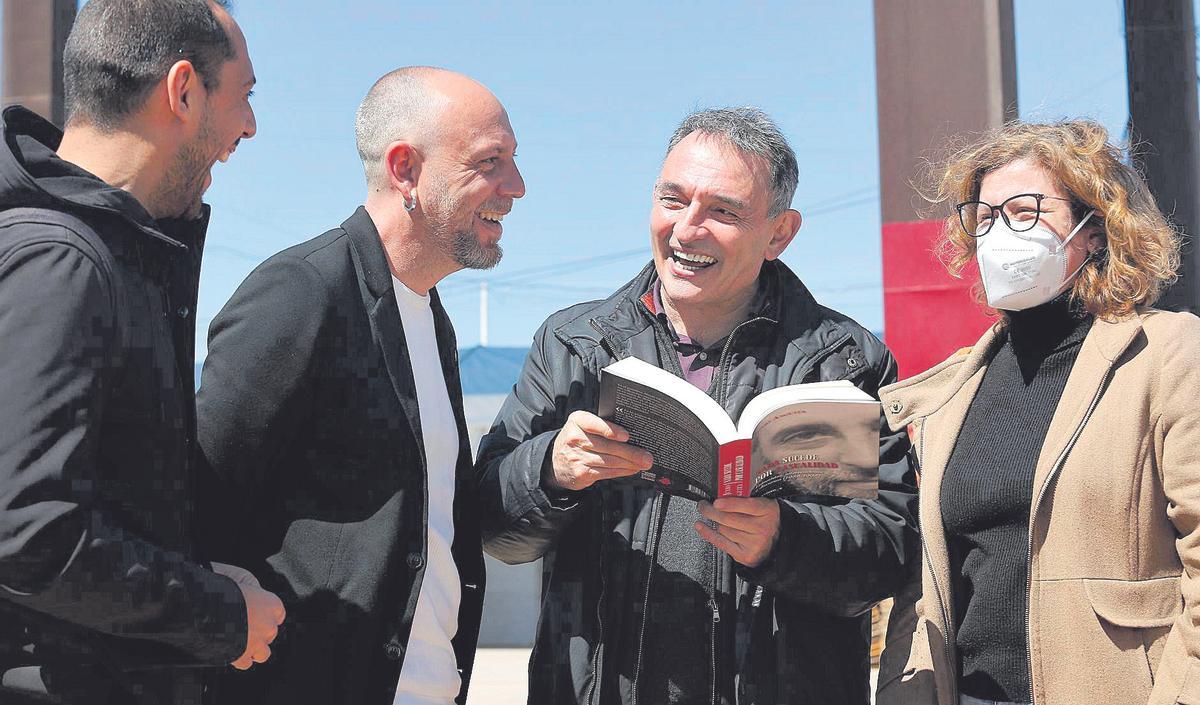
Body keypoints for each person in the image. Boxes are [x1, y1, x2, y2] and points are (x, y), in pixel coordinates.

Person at [476, 107, 919, 705]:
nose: (687, 230)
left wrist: (784, 541)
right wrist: (550, 470)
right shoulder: (575, 345)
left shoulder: (842, 361)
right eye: (672, 199)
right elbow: (493, 528)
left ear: (780, 233)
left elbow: (887, 550)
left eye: (723, 212)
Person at [195, 67, 525, 705]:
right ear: (405, 169)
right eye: (491, 162)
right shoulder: (300, 293)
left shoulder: (431, 319)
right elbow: (197, 506)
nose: (515, 187)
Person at [0, 1, 283, 703]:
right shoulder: (62, 259)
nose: (248, 127)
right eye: (244, 97)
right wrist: (219, 614)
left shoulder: (99, 255)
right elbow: (28, 533)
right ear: (182, 91)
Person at [875, 120, 1200, 705]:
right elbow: (928, 588)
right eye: (986, 215)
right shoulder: (956, 390)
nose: (1001, 233)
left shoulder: (1167, 353)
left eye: (1025, 211)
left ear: (1096, 227)